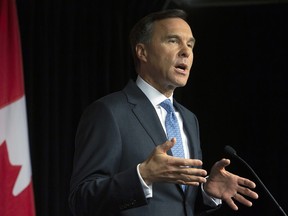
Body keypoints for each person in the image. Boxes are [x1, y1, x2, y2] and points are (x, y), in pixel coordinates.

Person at [68, 9, 258, 216]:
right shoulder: (109, 112)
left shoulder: (188, 119)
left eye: (190, 44)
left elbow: (179, 204)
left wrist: (205, 193)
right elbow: (81, 200)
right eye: (173, 41)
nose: (186, 51)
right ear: (142, 52)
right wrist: (142, 175)